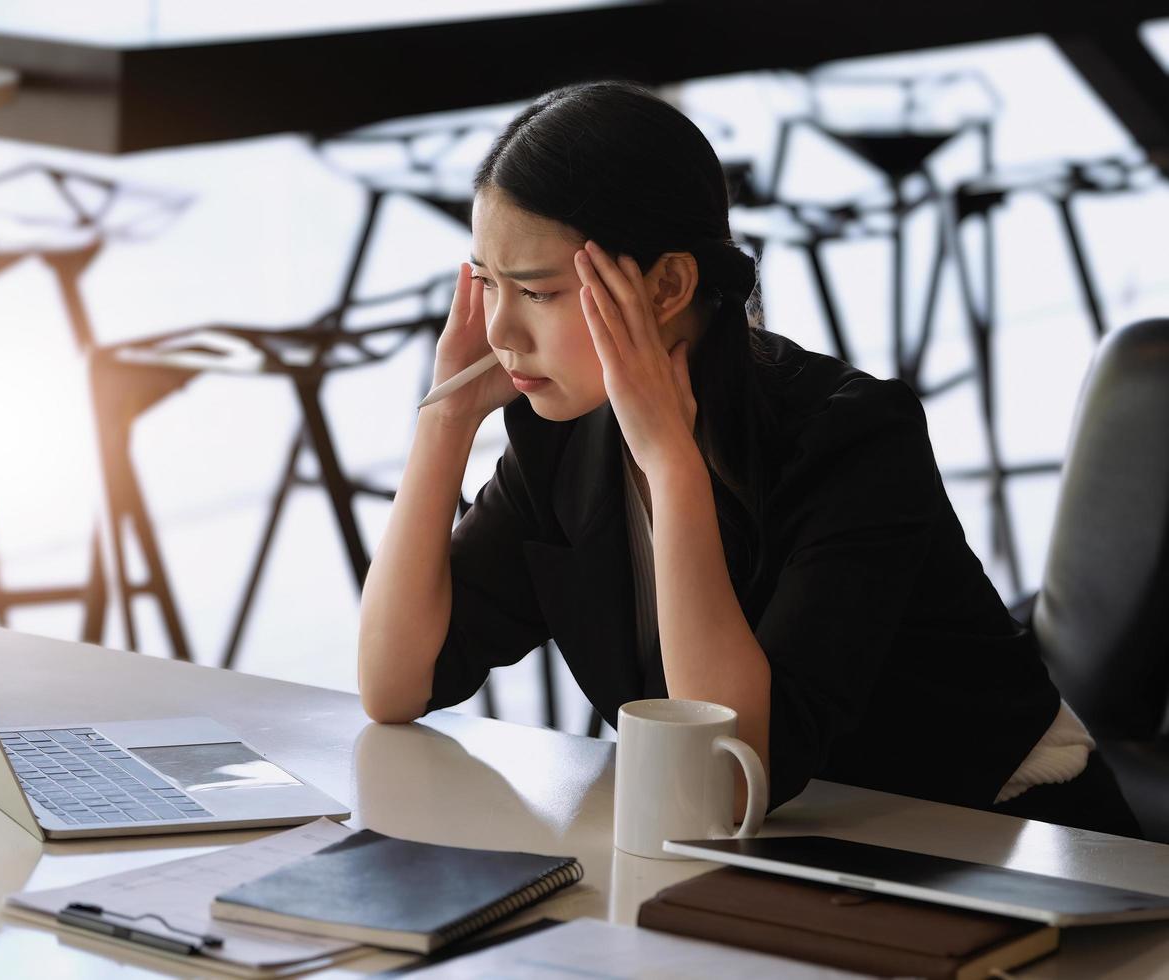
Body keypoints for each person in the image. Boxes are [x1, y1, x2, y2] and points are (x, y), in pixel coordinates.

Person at [356, 80, 1140, 837]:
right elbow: (395, 685)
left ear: (666, 285)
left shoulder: (855, 437)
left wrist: (670, 465)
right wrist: (445, 420)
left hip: (1004, 833)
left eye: (538, 293)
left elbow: (730, 775)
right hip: (789, 851)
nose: (501, 332)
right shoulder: (559, 434)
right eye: (488, 286)